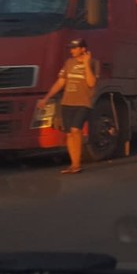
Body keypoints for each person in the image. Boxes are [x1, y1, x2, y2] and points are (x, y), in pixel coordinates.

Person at [37, 38, 98, 174]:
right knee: (70, 133)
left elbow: (91, 83)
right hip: (67, 102)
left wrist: (87, 64)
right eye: (71, 48)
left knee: (76, 130)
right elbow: (60, 82)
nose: (72, 50)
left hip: (83, 103)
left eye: (75, 48)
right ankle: (74, 164)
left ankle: (77, 163)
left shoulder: (94, 63)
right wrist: (46, 98)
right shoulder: (69, 63)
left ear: (83, 49)